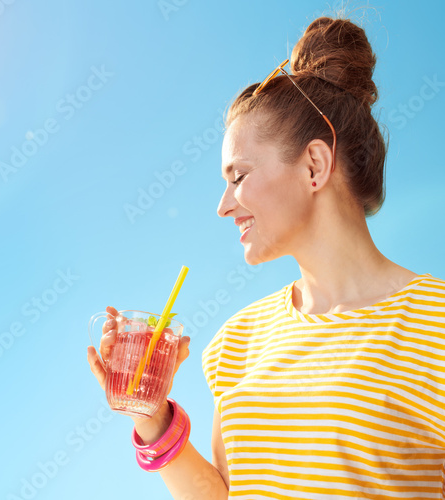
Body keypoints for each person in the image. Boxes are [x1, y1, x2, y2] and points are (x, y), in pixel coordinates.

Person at [88, 15, 445, 499]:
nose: (223, 205)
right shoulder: (237, 341)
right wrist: (151, 417)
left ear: (314, 165)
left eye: (238, 175)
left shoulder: (434, 325)